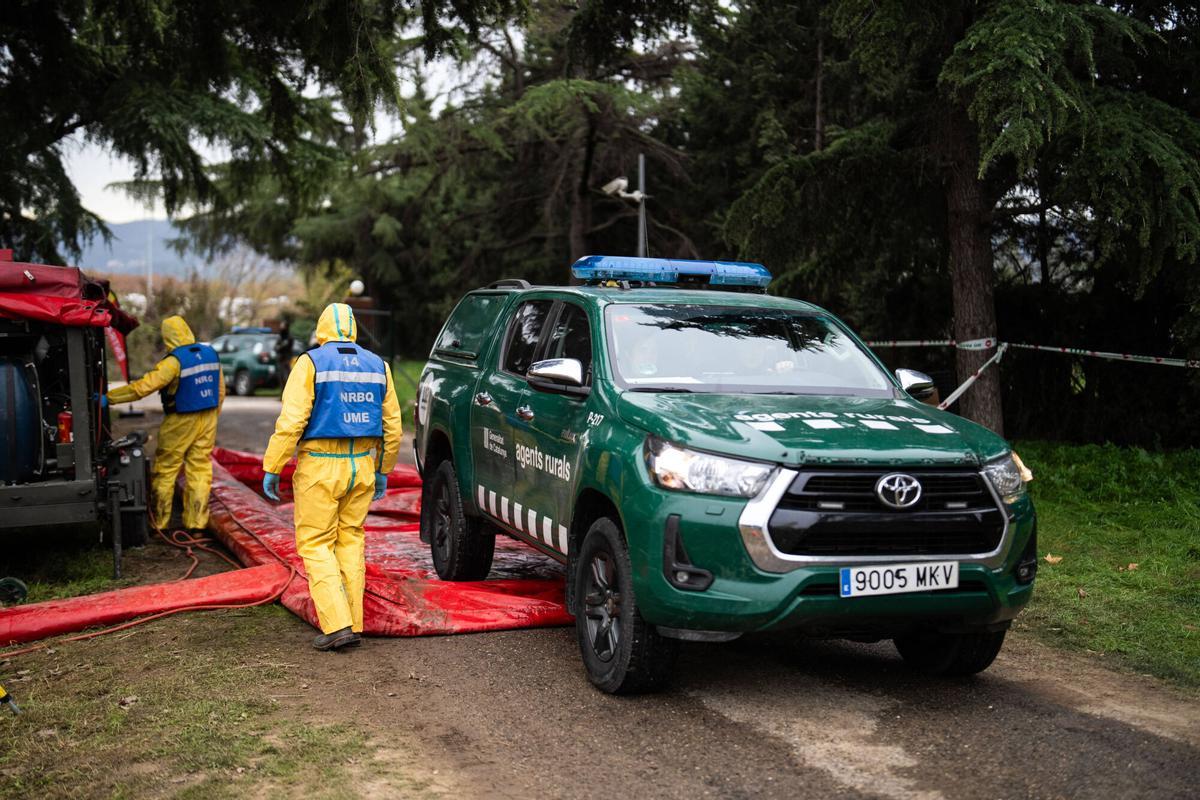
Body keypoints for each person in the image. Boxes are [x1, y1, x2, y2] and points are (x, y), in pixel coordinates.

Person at [261, 303, 403, 651]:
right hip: (362, 466)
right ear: (353, 328)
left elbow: (292, 421)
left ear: (323, 328)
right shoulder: (378, 366)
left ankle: (337, 624)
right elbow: (393, 428)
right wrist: (383, 469)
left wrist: (273, 465)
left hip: (321, 468)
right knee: (351, 539)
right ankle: (353, 621)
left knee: (315, 543)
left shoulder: (311, 363)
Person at [104, 316, 223, 532]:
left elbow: (142, 388)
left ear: (168, 337)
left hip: (181, 420)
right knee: (200, 468)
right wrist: (215, 415)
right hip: (208, 417)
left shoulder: (173, 362)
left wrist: (109, 397)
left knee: (166, 469)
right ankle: (196, 524)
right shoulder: (210, 354)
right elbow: (220, 390)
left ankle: (160, 523)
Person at [273, 319, 294, 391]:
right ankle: (282, 394)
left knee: (287, 377)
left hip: (287, 359)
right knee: (281, 377)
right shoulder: (280, 337)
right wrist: (280, 346)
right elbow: (276, 347)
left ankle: (288, 393)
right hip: (280, 359)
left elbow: (287, 346)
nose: (281, 327)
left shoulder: (289, 337)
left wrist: (281, 346)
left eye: (283, 326)